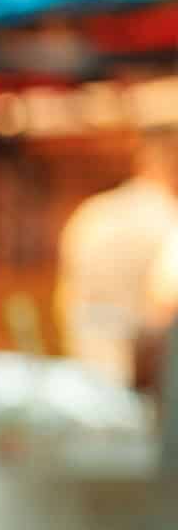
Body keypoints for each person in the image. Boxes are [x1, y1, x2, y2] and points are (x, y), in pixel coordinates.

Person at [56, 133, 178, 387]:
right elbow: (165, 304)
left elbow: (64, 302)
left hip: (85, 379)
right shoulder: (170, 223)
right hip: (143, 391)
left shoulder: (90, 214)